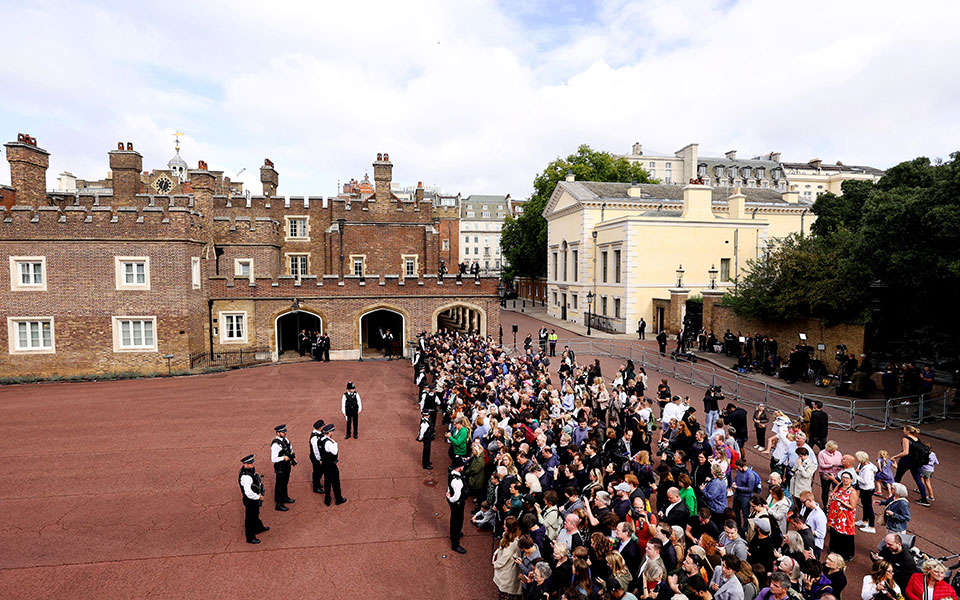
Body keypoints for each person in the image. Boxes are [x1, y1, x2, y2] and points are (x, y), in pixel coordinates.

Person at [891, 426, 930, 507]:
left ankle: (892, 492)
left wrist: (895, 457)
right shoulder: (917, 439)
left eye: (904, 429)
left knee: (898, 476)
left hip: (906, 460)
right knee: (918, 479)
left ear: (908, 431)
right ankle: (924, 498)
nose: (903, 430)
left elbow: (905, 452)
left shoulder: (906, 439)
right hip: (916, 461)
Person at [826, 472, 858, 561]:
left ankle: (847, 554)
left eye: (847, 478)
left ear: (851, 480)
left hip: (845, 517)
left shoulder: (853, 492)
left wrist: (842, 502)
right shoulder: (840, 486)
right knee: (834, 532)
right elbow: (833, 493)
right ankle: (834, 549)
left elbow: (852, 506)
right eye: (843, 477)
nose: (845, 479)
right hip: (835, 514)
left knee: (845, 535)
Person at [238, 454, 269, 544]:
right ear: (245, 464)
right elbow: (248, 493)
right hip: (250, 499)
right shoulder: (246, 477)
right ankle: (250, 537)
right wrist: (258, 497)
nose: (252, 465)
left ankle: (259, 528)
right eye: (250, 463)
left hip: (252, 499)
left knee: (255, 513)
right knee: (250, 518)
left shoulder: (248, 472)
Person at [493, 516, 523, 599]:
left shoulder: (511, 544)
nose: (503, 526)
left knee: (506, 592)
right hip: (510, 570)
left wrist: (495, 564)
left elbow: (503, 559)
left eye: (505, 525)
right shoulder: (515, 537)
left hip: (508, 571)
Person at [270, 424, 296, 511]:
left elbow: (290, 449)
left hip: (287, 465)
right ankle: (279, 503)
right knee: (279, 485)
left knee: (285, 482)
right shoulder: (275, 445)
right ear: (277, 433)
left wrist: (292, 457)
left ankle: (285, 497)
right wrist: (283, 458)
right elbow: (273, 459)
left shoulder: (286, 440)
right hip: (280, 467)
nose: (285, 433)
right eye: (283, 432)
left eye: (285, 431)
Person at [319, 423, 346, 506]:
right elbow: (334, 452)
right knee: (336, 483)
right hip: (331, 465)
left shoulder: (320, 440)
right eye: (332, 431)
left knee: (327, 482)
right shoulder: (329, 443)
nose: (332, 433)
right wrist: (335, 443)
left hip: (324, 464)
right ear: (329, 432)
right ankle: (338, 499)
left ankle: (327, 500)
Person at [447, 456, 468, 554]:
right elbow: (456, 496)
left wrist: (448, 495)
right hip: (457, 503)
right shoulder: (457, 480)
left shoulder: (451, 474)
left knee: (455, 520)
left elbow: (449, 486)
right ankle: (455, 544)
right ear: (459, 466)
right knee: (457, 521)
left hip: (455, 503)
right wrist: (451, 499)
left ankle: (456, 534)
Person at [309, 419, 326, 494]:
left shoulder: (319, 433)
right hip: (316, 457)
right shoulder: (314, 438)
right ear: (320, 427)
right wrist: (319, 459)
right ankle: (316, 487)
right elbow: (316, 450)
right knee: (317, 472)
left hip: (319, 456)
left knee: (320, 471)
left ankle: (318, 483)